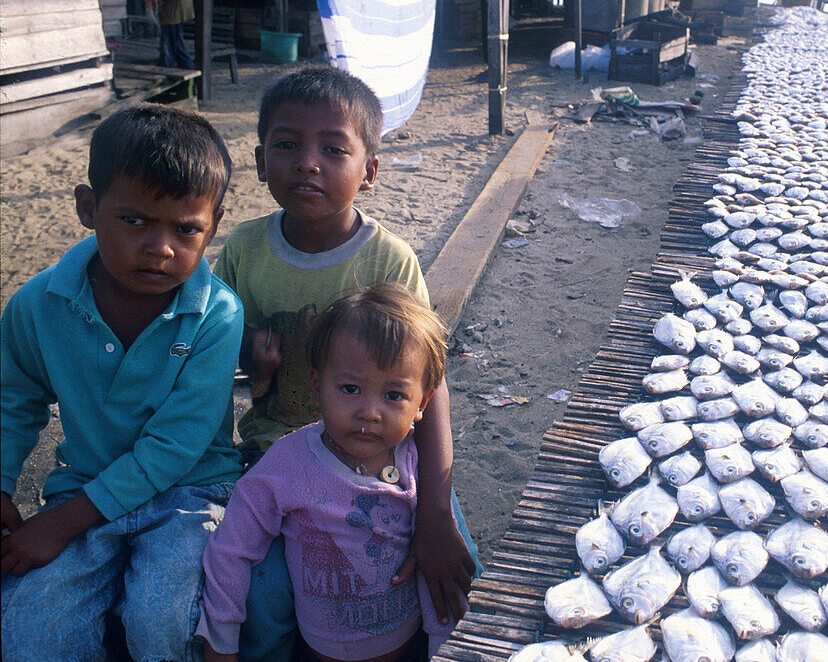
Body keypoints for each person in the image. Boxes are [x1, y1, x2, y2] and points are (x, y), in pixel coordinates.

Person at [213, 64, 478, 661]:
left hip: (387, 453)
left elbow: (429, 385)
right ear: (259, 162)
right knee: (267, 592)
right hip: (278, 451)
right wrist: (247, 350)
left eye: (333, 149)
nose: (308, 162)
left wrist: (435, 512)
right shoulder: (243, 252)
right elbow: (211, 348)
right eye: (287, 145)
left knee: (454, 568)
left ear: (369, 172)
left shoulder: (390, 260)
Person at [0, 104, 243, 661]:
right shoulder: (37, 305)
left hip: (190, 492)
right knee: (34, 632)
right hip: (83, 481)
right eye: (134, 221)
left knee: (161, 622)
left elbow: (177, 447)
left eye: (186, 230)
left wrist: (62, 521)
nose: (161, 248)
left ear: (214, 223)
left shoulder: (216, 315)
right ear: (88, 207)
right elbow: (13, 399)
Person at [198, 285, 465, 662]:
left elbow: (437, 586)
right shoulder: (287, 465)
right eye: (350, 389)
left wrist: (442, 649)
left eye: (393, 396)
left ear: (422, 404)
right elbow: (231, 550)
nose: (369, 412)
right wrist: (221, 644)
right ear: (316, 386)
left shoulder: (417, 463)